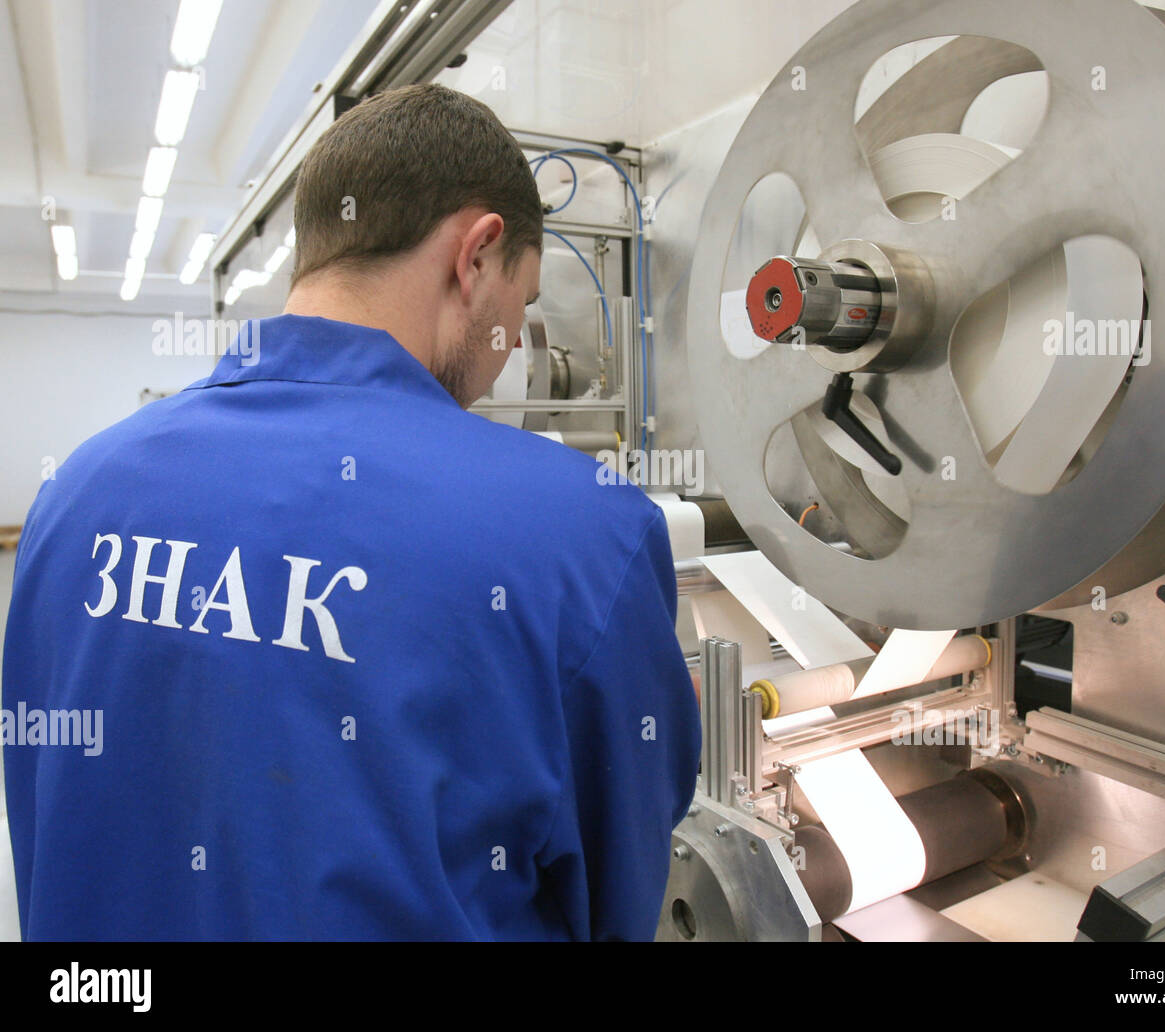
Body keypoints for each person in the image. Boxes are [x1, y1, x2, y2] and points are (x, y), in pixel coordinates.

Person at [3, 83, 700, 941]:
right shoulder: (585, 535)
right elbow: (620, 901)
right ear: (476, 254)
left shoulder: (75, 492)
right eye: (519, 309)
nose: (512, 347)